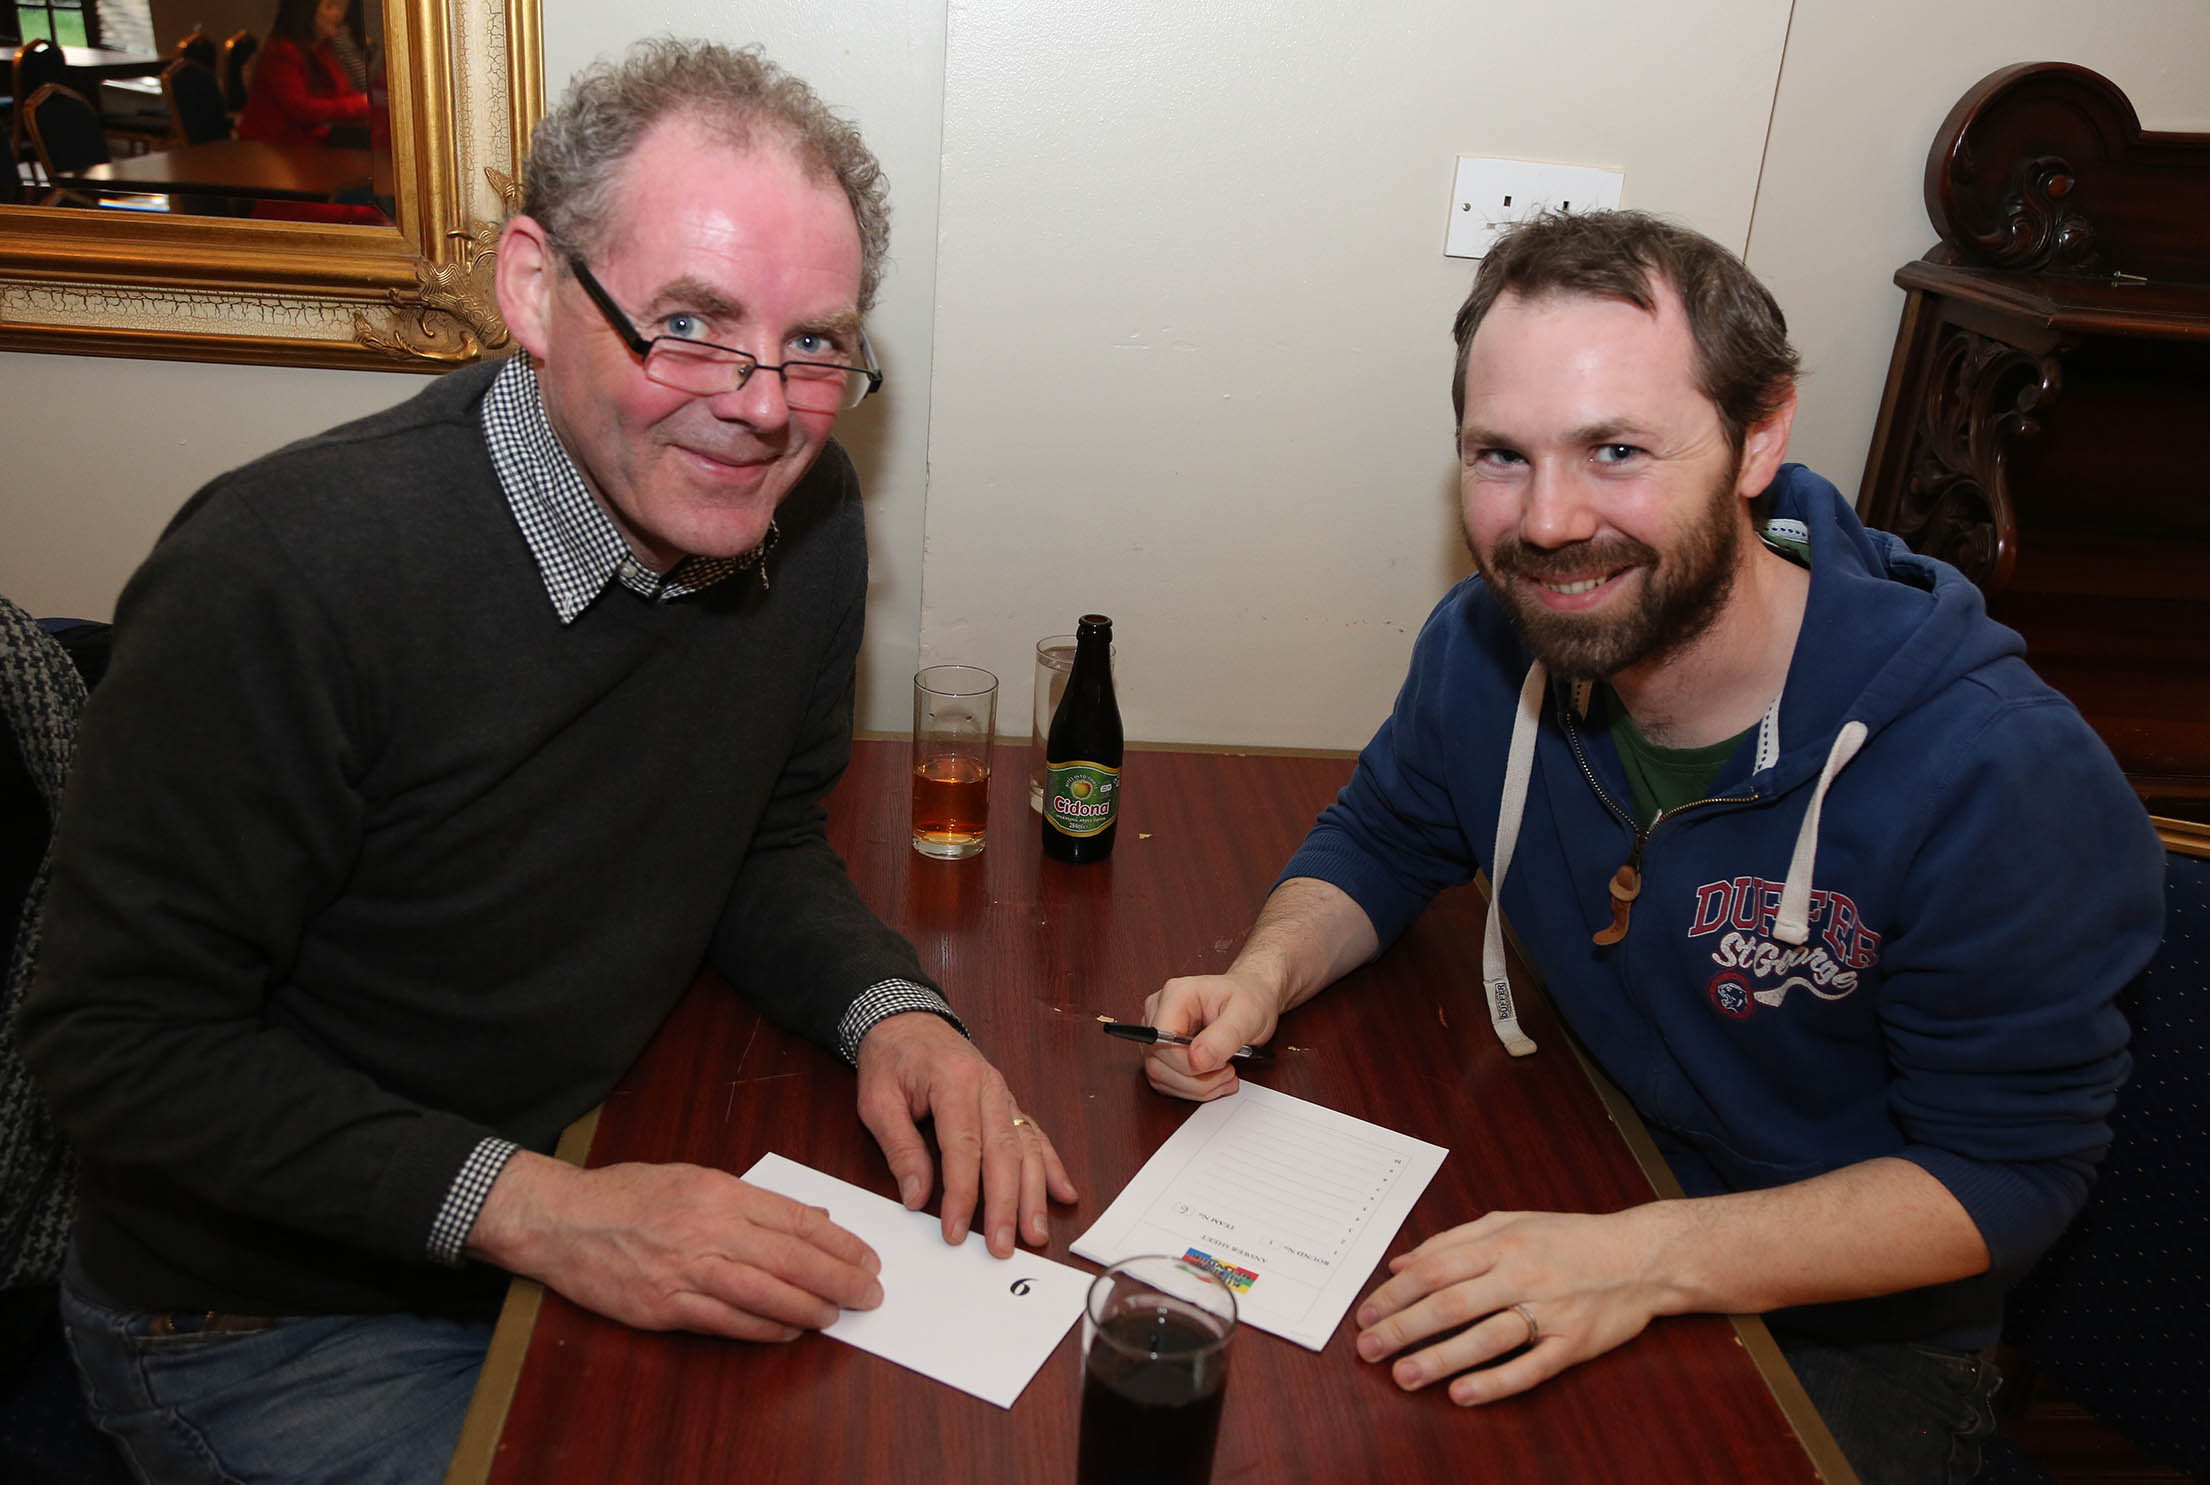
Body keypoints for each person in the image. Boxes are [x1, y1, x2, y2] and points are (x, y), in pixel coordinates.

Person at [22, 39, 1074, 1484]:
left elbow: (755, 836)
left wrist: (893, 1016)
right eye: (689, 323)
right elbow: (119, 1046)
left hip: (579, 1175)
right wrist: (551, 1215)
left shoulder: (806, 511)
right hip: (267, 1319)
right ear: (531, 287)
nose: (763, 404)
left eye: (816, 344)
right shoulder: (282, 574)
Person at [1140, 210, 2163, 1483]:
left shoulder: (2001, 774)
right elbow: (1384, 837)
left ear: (1758, 438)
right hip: (1581, 1162)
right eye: (1499, 455)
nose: (1546, 522)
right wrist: (1262, 975)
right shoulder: (1485, 644)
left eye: (1614, 449)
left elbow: (2002, 1178)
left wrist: (1640, 1259)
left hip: (1844, 1328)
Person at [236, 0, 370, 148]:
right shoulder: (282, 51)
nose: (337, 14)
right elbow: (300, 108)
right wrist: (361, 104)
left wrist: (369, 102)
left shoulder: (322, 49)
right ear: (306, 12)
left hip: (301, 144)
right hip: (272, 146)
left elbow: (341, 93)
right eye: (329, 7)